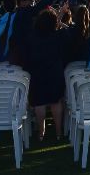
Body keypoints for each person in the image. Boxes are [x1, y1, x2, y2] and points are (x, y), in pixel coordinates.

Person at [27, 8, 66, 140]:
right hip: (54, 71)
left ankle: (41, 132)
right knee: (55, 102)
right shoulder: (58, 35)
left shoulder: (32, 36)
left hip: (38, 71)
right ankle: (58, 131)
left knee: (40, 103)